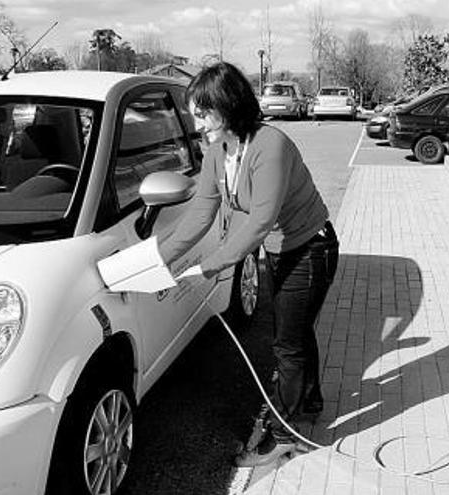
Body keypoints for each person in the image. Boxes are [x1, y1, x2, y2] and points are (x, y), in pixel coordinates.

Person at [158, 62, 339, 467]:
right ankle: (308, 402)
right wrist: (160, 260)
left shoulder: (269, 144)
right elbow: (200, 213)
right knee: (295, 331)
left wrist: (209, 267)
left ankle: (282, 434)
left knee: (285, 342)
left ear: (228, 105)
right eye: (195, 115)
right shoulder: (216, 152)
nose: (197, 124)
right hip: (280, 249)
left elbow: (259, 220)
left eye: (203, 113)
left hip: (311, 247)